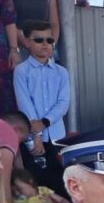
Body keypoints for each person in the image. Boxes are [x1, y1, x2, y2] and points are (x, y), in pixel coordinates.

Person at [12, 20, 69, 150]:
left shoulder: (61, 72)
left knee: (60, 170)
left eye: (49, 40)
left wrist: (44, 122)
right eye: (38, 40)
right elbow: (24, 103)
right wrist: (37, 134)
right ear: (27, 42)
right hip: (33, 137)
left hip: (58, 135)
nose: (45, 44)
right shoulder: (21, 71)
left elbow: (63, 103)